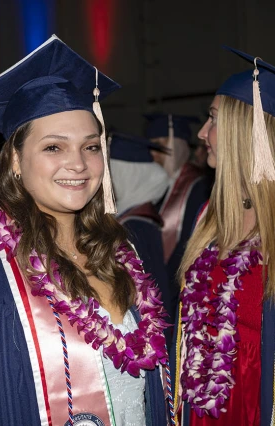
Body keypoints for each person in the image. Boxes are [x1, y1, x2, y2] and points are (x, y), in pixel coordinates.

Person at [0, 35, 171, 426]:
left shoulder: (118, 252)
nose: (79, 164)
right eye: (54, 147)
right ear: (16, 160)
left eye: (90, 147)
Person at [171, 47, 275, 426]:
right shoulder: (209, 217)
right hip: (202, 407)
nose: (202, 133)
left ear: (244, 129)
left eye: (212, 119)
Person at [144, 113, 213, 309]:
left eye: (159, 146)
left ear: (176, 146)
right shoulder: (156, 186)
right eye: (151, 146)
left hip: (179, 291)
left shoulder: (199, 186)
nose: (153, 154)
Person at [109, 131, 174, 325]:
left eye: (112, 173)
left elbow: (153, 298)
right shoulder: (134, 218)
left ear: (129, 177)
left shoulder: (136, 226)